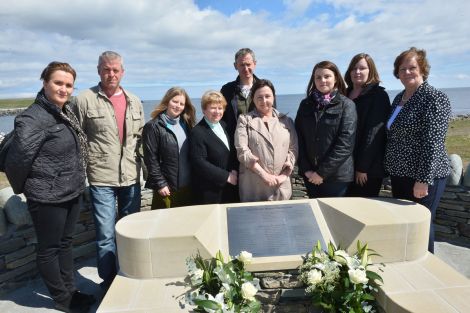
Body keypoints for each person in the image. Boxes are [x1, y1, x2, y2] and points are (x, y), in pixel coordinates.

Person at [5, 62, 95, 312]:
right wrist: (34, 188)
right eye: (58, 83)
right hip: (47, 197)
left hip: (71, 191)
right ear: (45, 82)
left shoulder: (64, 111)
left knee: (65, 244)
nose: (64, 89)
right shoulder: (32, 117)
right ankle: (62, 299)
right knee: (49, 249)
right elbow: (17, 162)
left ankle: (71, 291)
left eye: (68, 85)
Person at [74, 51, 144, 290]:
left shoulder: (134, 100)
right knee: (105, 236)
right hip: (101, 177)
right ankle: (109, 284)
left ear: (122, 72)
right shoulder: (84, 100)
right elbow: (76, 140)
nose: (111, 73)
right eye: (106, 69)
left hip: (131, 177)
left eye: (115, 69)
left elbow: (140, 140)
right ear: (98, 71)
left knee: (128, 232)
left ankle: (129, 276)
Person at [385, 47, 451, 253]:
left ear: (422, 69)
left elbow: (433, 143)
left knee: (421, 225)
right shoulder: (399, 99)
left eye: (411, 67)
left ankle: (427, 267)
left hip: (424, 176)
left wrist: (423, 179)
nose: (406, 72)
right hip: (400, 174)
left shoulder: (434, 98)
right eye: (402, 69)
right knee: (406, 223)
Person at [295, 61, 357, 198]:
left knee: (334, 217)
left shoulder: (347, 105)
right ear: (313, 80)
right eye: (318, 77)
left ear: (335, 78)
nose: (322, 80)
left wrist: (322, 173)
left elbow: (345, 144)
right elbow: (298, 138)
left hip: (337, 177)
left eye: (327, 76)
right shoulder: (305, 104)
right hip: (310, 175)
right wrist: (306, 170)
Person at [235, 79, 298, 201]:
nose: (264, 101)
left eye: (267, 96)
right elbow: (242, 150)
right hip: (254, 186)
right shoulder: (244, 120)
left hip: (280, 186)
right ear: (253, 99)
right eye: (259, 97)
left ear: (273, 97)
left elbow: (293, 149)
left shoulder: (287, 121)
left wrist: (283, 176)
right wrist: (264, 175)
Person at [344, 53, 391, 197]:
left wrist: (362, 168)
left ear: (371, 71)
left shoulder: (378, 96)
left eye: (362, 68)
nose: (357, 72)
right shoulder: (345, 93)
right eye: (354, 68)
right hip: (346, 166)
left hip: (367, 169)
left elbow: (374, 134)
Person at [142, 87, 196, 209]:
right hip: (167, 189)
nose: (178, 106)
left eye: (181, 104)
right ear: (167, 101)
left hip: (188, 187)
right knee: (165, 226)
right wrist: (160, 184)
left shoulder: (187, 124)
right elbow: (150, 159)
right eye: (175, 101)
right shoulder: (153, 126)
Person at [189, 90, 239, 204]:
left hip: (229, 188)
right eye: (213, 108)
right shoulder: (197, 132)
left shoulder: (224, 125)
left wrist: (234, 171)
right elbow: (199, 162)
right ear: (204, 110)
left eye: (220, 108)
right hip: (210, 192)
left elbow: (231, 152)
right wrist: (226, 176)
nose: (217, 111)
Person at [221, 48, 259, 141]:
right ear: (235, 66)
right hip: (235, 143)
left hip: (259, 142)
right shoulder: (227, 90)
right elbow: (221, 118)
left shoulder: (264, 88)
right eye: (242, 65)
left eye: (248, 64)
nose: (245, 68)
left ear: (254, 64)